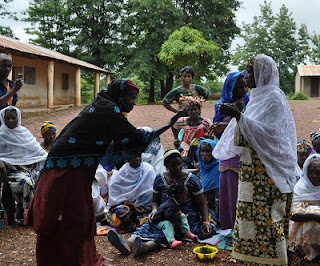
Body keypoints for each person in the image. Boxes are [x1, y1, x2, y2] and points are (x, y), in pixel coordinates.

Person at [25, 79, 182, 266]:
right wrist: (168, 124)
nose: (133, 103)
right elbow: (135, 137)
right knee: (67, 216)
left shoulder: (103, 106)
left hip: (74, 168)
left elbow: (122, 141)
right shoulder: (108, 109)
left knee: (80, 216)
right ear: (120, 95)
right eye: (131, 98)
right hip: (66, 171)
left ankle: (87, 260)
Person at [217, 55, 297, 265]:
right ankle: (250, 260)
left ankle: (275, 262)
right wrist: (236, 120)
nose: (245, 76)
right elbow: (250, 130)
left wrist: (238, 116)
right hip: (252, 175)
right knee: (248, 221)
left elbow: (270, 134)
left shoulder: (274, 98)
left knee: (269, 222)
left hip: (269, 175)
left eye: (250, 71)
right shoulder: (258, 97)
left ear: (263, 73)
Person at [107, 149, 213, 257]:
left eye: (179, 164)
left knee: (168, 230)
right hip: (164, 212)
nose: (177, 167)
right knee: (150, 224)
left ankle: (144, 247)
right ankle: (127, 244)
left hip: (184, 216)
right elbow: (155, 201)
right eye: (173, 165)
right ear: (166, 166)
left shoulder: (192, 180)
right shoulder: (159, 179)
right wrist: (154, 210)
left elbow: (202, 203)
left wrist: (206, 221)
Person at [211, 73, 248, 230]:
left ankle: (243, 230)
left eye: (245, 86)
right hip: (228, 156)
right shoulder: (222, 105)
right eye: (240, 86)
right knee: (229, 193)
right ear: (231, 87)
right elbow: (217, 132)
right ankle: (229, 228)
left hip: (245, 154)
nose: (244, 90)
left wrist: (226, 125)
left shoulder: (250, 102)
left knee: (244, 194)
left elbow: (252, 126)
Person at [0, 106, 47, 225]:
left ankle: (32, 210)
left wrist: (51, 158)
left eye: (13, 118)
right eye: (7, 118)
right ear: (3, 119)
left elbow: (38, 151)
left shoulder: (24, 133)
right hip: (12, 170)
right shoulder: (1, 135)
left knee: (41, 177)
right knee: (25, 182)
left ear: (18, 118)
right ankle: (31, 213)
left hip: (30, 167)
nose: (10, 121)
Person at [105, 155, 156, 230]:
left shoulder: (148, 170)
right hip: (126, 207)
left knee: (155, 216)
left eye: (139, 155)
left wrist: (142, 206)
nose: (138, 158)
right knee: (123, 214)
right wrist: (131, 204)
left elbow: (153, 193)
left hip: (144, 208)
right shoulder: (121, 172)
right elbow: (115, 198)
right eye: (134, 155)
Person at [162, 66, 210, 141]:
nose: (187, 78)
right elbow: (165, 102)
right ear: (181, 77)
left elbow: (207, 94)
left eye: (189, 76)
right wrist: (175, 111)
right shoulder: (177, 91)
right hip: (182, 115)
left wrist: (200, 101)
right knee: (179, 136)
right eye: (184, 76)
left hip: (196, 116)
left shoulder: (196, 88)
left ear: (192, 78)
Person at [150, 182, 196, 248]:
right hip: (158, 221)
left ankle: (186, 232)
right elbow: (168, 214)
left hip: (165, 217)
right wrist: (177, 220)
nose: (186, 197)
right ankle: (171, 241)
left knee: (182, 215)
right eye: (185, 196)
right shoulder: (172, 204)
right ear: (180, 196)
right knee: (167, 223)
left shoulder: (175, 201)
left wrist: (179, 216)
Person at [197, 139, 219, 214]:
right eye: (202, 151)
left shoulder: (218, 169)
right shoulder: (202, 168)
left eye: (208, 151)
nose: (204, 154)